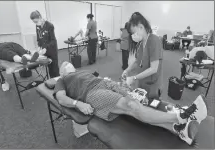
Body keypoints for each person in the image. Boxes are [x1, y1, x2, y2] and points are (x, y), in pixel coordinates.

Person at [53, 61, 207, 145]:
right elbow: (61, 98)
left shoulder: (83, 72)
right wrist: (78, 104)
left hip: (104, 83)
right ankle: (180, 117)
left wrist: (123, 89)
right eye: (70, 70)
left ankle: (179, 130)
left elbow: (100, 78)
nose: (73, 71)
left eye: (73, 69)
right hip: (91, 93)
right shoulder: (62, 80)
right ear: (63, 74)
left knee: (135, 102)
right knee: (131, 107)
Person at [121, 12, 163, 99]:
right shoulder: (140, 43)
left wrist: (134, 78)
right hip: (142, 82)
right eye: (132, 34)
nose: (133, 36)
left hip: (153, 84)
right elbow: (137, 61)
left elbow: (153, 69)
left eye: (134, 32)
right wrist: (127, 70)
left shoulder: (154, 40)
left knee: (151, 106)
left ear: (141, 27)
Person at [30, 10, 60, 78]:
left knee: (54, 68)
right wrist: (39, 46)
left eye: (36, 21)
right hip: (44, 50)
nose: (36, 23)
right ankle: (52, 82)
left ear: (40, 17)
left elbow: (53, 40)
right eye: (34, 22)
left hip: (52, 49)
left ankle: (58, 82)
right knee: (49, 67)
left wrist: (46, 47)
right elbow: (38, 38)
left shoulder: (49, 25)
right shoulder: (37, 26)